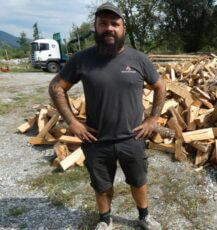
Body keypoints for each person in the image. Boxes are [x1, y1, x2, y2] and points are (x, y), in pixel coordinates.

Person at [48, 2, 165, 230]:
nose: (109, 28)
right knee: (101, 185)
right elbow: (56, 87)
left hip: (132, 138)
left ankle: (144, 217)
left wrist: (153, 119)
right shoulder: (82, 59)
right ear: (96, 28)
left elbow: (160, 87)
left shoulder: (139, 59)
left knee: (138, 181)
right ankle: (105, 220)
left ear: (123, 29)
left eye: (114, 23)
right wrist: (72, 122)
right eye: (103, 23)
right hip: (97, 140)